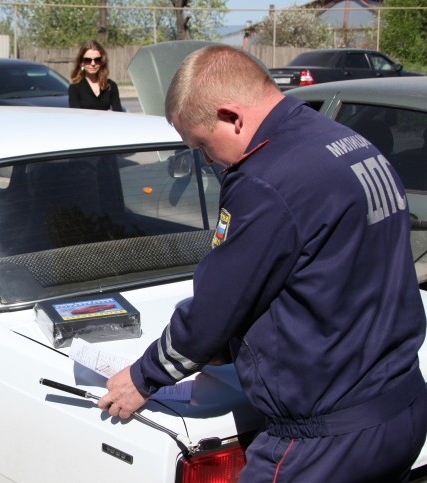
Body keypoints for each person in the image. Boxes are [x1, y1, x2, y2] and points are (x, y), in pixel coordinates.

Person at [98, 45, 426, 481]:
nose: (207, 160)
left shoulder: (266, 179)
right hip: (400, 404)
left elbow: (216, 309)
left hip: (326, 441)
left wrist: (144, 376)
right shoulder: (345, 141)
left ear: (231, 117)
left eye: (202, 144)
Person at [67, 40, 122, 111]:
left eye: (97, 59)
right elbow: (76, 115)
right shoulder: (74, 88)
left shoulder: (111, 86)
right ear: (81, 63)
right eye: (87, 60)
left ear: (102, 61)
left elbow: (118, 113)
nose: (93, 64)